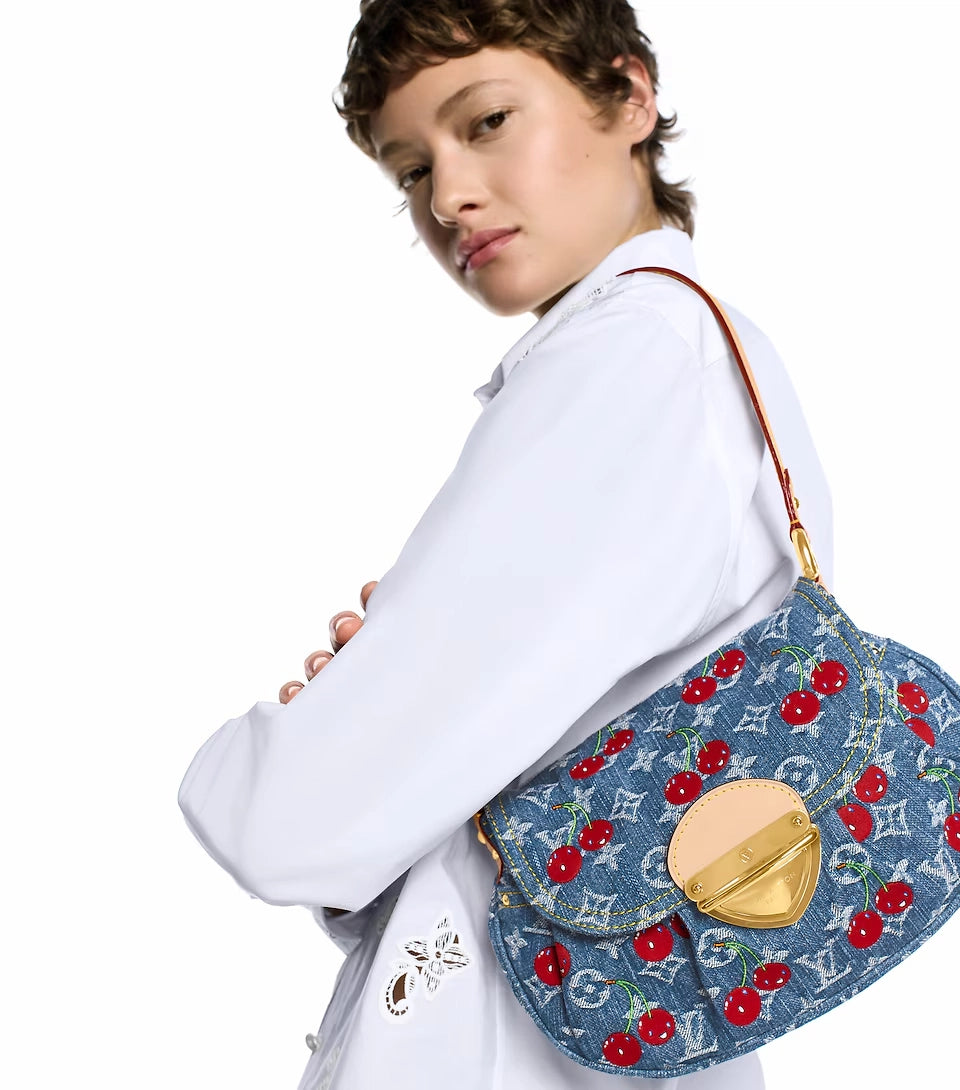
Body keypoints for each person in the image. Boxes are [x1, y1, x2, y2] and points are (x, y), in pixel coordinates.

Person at [177, 2, 833, 1087]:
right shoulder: (691, 348)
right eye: (409, 171)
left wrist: (297, 747)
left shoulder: (629, 363)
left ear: (630, 95)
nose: (447, 197)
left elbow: (293, 823)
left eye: (485, 122)